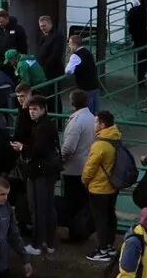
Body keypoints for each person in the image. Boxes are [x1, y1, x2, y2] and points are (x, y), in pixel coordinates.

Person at [13, 94, 61, 254]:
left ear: (43, 109)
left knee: (38, 208)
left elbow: (38, 150)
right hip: (47, 170)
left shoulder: (42, 127)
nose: (31, 112)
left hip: (40, 171)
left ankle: (37, 244)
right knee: (47, 206)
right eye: (30, 109)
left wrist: (22, 148)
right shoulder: (46, 125)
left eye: (35, 109)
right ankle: (49, 242)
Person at [82, 110, 125, 264]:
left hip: (99, 187)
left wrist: (85, 180)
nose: (94, 125)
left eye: (95, 122)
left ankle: (102, 249)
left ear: (102, 124)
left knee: (100, 219)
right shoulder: (116, 138)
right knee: (110, 216)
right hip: (113, 186)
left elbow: (90, 168)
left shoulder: (100, 144)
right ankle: (110, 246)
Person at [59, 89, 95, 242]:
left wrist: (59, 160)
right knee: (83, 204)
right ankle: (82, 232)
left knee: (72, 205)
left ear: (73, 103)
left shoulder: (76, 121)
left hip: (74, 169)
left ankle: (75, 235)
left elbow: (68, 148)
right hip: (86, 168)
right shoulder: (92, 118)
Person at [65, 31, 101, 112]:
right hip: (94, 87)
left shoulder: (75, 56)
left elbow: (68, 71)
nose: (69, 46)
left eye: (70, 44)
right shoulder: (88, 53)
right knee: (94, 113)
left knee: (85, 111)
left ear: (74, 44)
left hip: (85, 89)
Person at [33, 14, 66, 81]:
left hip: (53, 71)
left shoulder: (57, 36)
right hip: (44, 69)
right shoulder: (43, 37)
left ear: (50, 24)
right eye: (40, 26)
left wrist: (45, 66)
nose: (42, 28)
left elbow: (56, 54)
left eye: (44, 26)